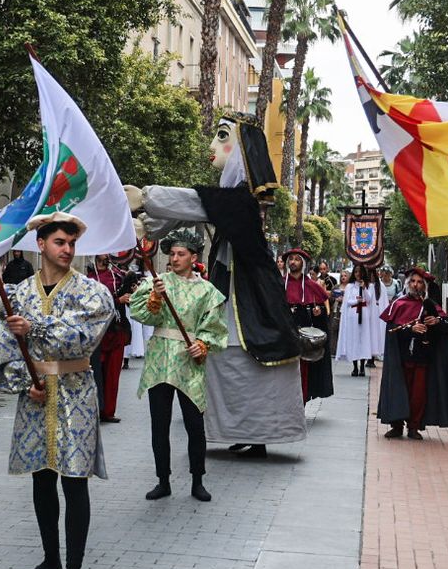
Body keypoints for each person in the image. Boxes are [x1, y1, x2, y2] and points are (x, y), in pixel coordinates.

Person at [126, 117, 306, 457]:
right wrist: (148, 225)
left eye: (221, 138)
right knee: (228, 366)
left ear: (239, 151)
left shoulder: (239, 202)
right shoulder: (228, 204)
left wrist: (147, 197)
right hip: (234, 294)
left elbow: (195, 203)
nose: (212, 146)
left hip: (249, 298)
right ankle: (241, 431)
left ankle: (258, 434)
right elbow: (191, 211)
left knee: (245, 364)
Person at [0, 212, 114, 569]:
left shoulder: (92, 293)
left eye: (72, 243)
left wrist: (37, 329)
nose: (67, 250)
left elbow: (82, 337)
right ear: (41, 245)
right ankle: (50, 559)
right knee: (41, 479)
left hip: (75, 394)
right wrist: (22, 382)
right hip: (35, 398)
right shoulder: (17, 295)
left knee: (74, 481)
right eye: (60, 242)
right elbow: (5, 345)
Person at [130, 229, 228, 502]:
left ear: (193, 257)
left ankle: (198, 480)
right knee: (159, 424)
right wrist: (157, 297)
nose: (174, 258)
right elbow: (143, 315)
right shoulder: (158, 283)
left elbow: (214, 327)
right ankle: (163, 480)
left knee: (194, 424)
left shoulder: (207, 291)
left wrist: (203, 344)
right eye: (171, 253)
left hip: (188, 361)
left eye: (180, 254)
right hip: (160, 360)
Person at [377, 266, 448, 440]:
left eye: (420, 282)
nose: (416, 285)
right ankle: (397, 425)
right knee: (399, 390)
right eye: (413, 281)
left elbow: (446, 327)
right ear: (407, 284)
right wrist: (410, 329)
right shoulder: (398, 304)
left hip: (423, 357)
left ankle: (414, 426)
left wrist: (436, 321)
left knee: (418, 394)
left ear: (424, 286)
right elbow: (392, 330)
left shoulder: (431, 305)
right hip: (401, 359)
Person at [90, 253, 138, 423]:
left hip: (116, 330)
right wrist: (118, 300)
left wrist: (132, 288)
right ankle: (96, 409)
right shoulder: (88, 277)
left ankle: (108, 411)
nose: (107, 254)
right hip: (97, 333)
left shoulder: (117, 275)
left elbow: (131, 297)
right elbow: (93, 303)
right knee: (96, 372)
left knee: (112, 374)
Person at [283, 248, 334, 403]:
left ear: (303, 263)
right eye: (290, 259)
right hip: (285, 336)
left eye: (296, 259)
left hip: (305, 340)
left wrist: (318, 313)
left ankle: (301, 403)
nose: (293, 262)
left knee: (304, 372)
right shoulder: (279, 284)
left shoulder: (312, 286)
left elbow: (322, 315)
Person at [338, 264, 385, 376]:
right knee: (354, 339)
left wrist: (364, 289)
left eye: (360, 272)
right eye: (356, 272)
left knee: (363, 339)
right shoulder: (350, 286)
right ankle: (355, 367)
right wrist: (356, 301)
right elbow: (347, 301)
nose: (358, 274)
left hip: (364, 314)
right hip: (353, 314)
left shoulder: (369, 286)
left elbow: (369, 300)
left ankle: (362, 366)